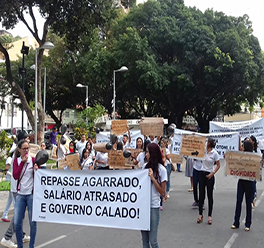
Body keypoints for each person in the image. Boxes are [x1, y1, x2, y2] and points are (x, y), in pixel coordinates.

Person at [1, 132, 30, 248]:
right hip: (17, 188)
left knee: (21, 213)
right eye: (27, 138)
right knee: (19, 213)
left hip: (18, 188)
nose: (28, 140)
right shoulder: (18, 155)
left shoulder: (20, 153)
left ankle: (21, 234)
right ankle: (7, 237)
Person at [13, 139, 40, 248]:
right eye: (24, 149)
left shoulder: (33, 160)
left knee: (32, 223)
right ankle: (20, 245)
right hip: (20, 194)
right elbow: (15, 175)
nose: (26, 151)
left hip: (31, 195)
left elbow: (38, 175)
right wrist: (22, 163)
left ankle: (31, 246)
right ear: (19, 150)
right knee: (17, 223)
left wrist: (37, 169)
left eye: (27, 148)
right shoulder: (17, 161)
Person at [141, 143, 167, 248]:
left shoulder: (162, 170)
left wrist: (153, 178)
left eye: (147, 152)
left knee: (153, 241)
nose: (146, 154)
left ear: (153, 153)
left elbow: (162, 192)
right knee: (145, 241)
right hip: (144, 207)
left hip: (153, 207)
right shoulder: (144, 167)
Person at [231, 139, 255, 231]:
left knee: (248, 203)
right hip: (241, 181)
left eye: (243, 146)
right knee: (238, 201)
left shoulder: (254, 157)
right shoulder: (241, 156)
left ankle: (248, 223)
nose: (241, 147)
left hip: (250, 182)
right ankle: (236, 222)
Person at [197, 138, 220, 225]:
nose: (205, 143)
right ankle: (200, 214)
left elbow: (218, 165)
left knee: (209, 195)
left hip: (210, 175)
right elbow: (196, 157)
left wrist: (212, 173)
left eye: (207, 142)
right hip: (202, 174)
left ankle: (209, 216)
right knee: (201, 195)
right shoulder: (203, 151)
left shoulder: (215, 153)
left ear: (209, 144)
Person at [1, 153, 14, 222]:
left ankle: (4, 215)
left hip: (13, 181)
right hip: (10, 181)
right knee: (15, 199)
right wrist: (13, 175)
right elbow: (6, 172)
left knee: (10, 200)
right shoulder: (10, 159)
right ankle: (18, 215)